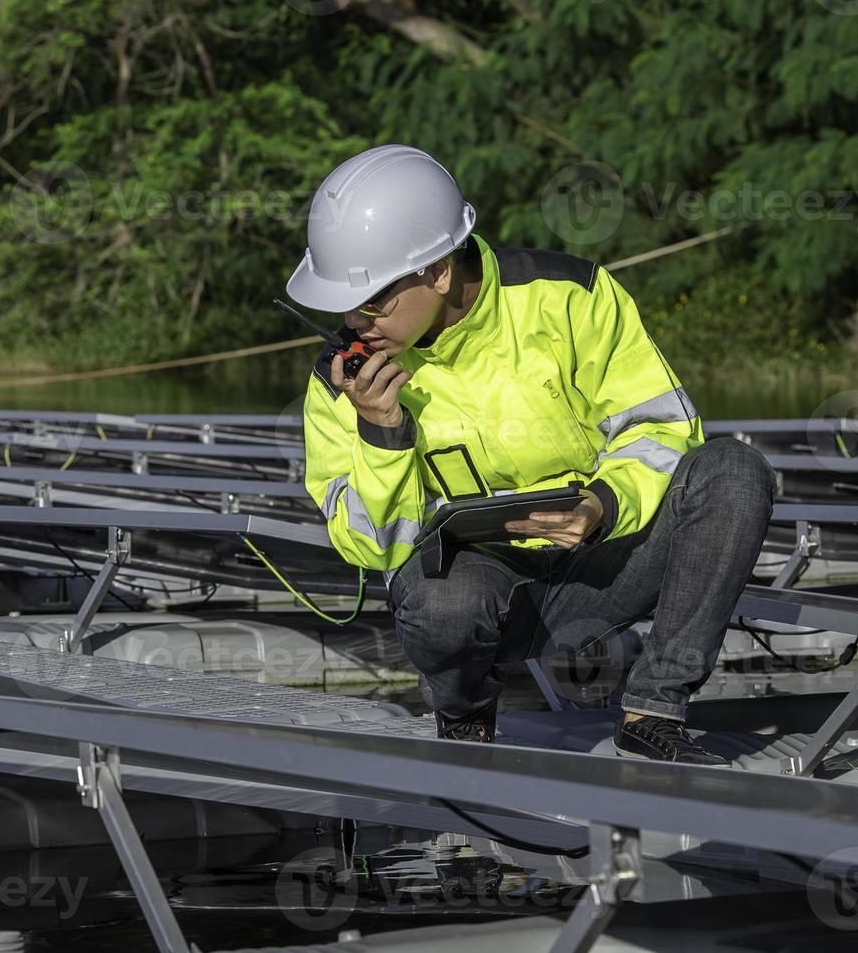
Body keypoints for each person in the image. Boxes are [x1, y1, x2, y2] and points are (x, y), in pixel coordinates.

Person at [289, 145, 776, 766]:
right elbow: (374, 548)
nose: (357, 320)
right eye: (343, 302)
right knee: (441, 604)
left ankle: (654, 709)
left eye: (374, 299)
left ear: (439, 271)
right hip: (485, 594)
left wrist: (604, 503)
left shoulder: (570, 296)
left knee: (734, 471)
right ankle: (464, 712)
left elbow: (662, 428)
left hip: (604, 561)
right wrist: (382, 434)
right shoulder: (343, 379)